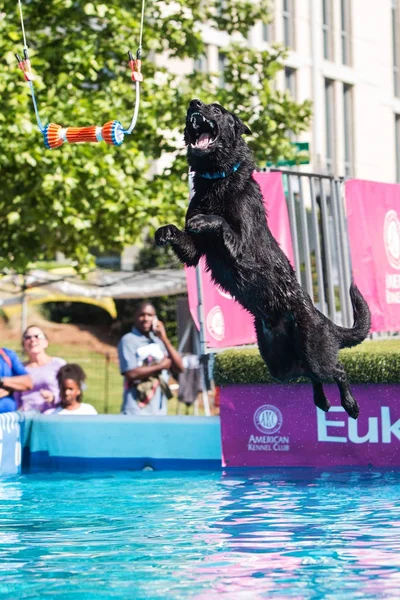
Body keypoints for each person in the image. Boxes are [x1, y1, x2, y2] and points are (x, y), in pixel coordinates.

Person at [118, 301, 184, 415]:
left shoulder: (159, 341)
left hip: (159, 410)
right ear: (135, 317)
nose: (146, 318)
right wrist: (161, 366)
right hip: (135, 409)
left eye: (150, 315)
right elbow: (131, 373)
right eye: (142, 315)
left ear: (155, 318)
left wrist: (164, 338)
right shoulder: (128, 340)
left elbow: (180, 368)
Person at [15, 325, 66, 413]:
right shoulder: (19, 369)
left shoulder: (58, 364)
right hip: (27, 418)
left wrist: (54, 397)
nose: (32, 340)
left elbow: (71, 390)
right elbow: (16, 398)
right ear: (24, 344)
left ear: (46, 342)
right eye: (28, 337)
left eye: (37, 336)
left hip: (54, 415)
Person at [0, 346, 33, 413]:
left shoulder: (7, 354)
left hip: (8, 418)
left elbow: (27, 382)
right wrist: (11, 386)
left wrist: (2, 381)